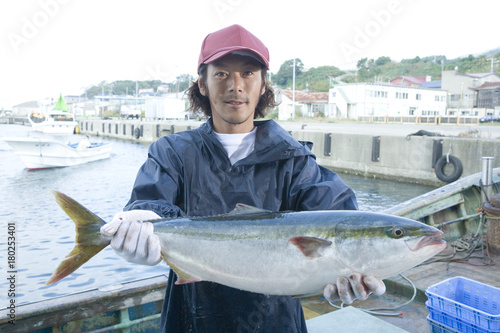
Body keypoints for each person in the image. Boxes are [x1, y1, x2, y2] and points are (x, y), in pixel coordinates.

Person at [101, 24, 385, 332]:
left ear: (263, 85)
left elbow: (340, 219)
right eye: (222, 73)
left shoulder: (294, 160)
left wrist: (348, 272)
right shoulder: (173, 152)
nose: (236, 85)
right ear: (203, 84)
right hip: (190, 320)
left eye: (248, 73)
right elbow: (150, 203)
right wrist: (142, 229)